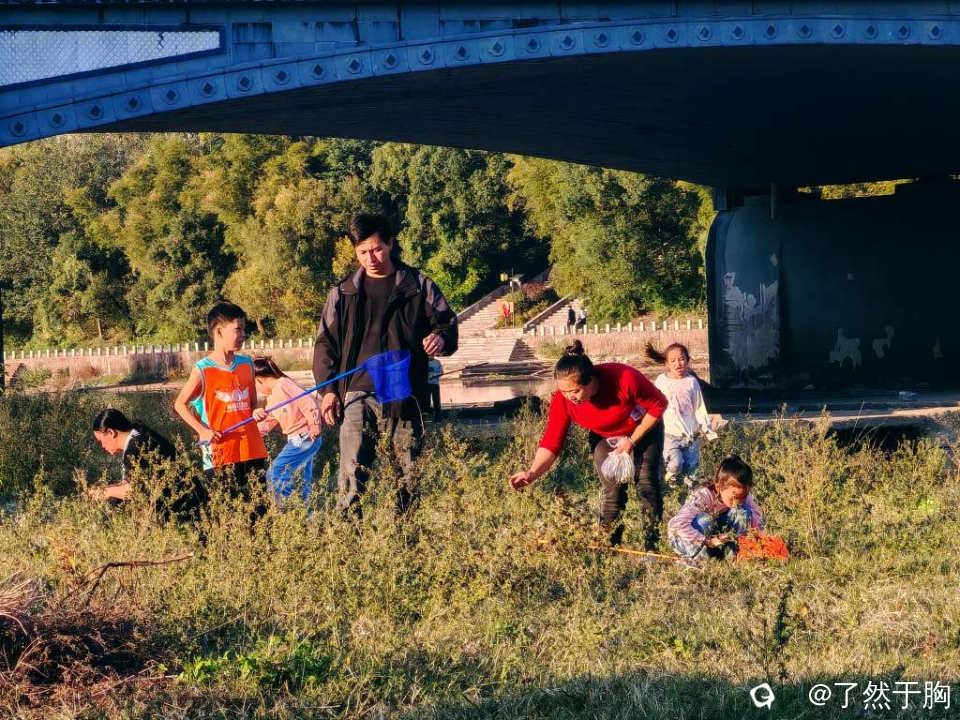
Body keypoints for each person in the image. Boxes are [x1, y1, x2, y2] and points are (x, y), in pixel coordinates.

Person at [313, 213, 458, 516]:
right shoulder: (342, 293)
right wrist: (327, 391)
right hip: (357, 395)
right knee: (352, 477)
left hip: (405, 394)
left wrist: (440, 338)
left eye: (377, 249)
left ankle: (404, 537)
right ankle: (347, 536)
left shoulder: (418, 286)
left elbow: (447, 325)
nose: (371, 258)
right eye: (363, 252)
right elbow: (325, 344)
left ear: (391, 243)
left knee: (407, 477)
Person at [508, 340, 668, 549]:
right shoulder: (563, 401)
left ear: (591, 380)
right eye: (564, 392)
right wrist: (532, 473)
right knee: (612, 490)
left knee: (646, 484)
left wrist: (632, 441)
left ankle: (652, 545)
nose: (570, 397)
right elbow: (552, 441)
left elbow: (659, 405)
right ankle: (610, 546)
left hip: (644, 429)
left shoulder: (624, 378)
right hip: (605, 436)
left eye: (575, 391)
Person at [173, 302, 268, 509]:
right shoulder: (202, 369)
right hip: (220, 455)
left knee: (260, 511)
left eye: (244, 329)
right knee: (228, 513)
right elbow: (180, 404)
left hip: (253, 449)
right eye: (238, 329)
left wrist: (256, 411)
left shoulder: (246, 364)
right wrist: (202, 431)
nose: (243, 335)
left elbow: (252, 404)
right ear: (218, 331)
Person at [89, 408, 206, 522]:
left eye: (101, 441)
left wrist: (105, 492)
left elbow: (135, 490)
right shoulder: (139, 435)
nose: (102, 446)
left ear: (111, 433)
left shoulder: (135, 448)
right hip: (192, 501)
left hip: (185, 512)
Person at [252, 356, 323, 504]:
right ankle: (304, 514)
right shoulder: (272, 398)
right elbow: (268, 423)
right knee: (301, 480)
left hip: (305, 437)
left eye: (255, 386)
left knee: (274, 475)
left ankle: (288, 508)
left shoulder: (283, 383)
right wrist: (251, 428)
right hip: (297, 439)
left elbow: (307, 400)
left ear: (259, 380)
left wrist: (314, 424)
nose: (257, 390)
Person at [667, 455, 765, 560]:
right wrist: (706, 541)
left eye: (743, 497)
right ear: (719, 487)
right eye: (734, 498)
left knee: (744, 513)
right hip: (685, 538)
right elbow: (677, 525)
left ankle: (731, 557)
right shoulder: (703, 496)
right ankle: (698, 560)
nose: (738, 502)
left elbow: (757, 517)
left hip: (714, 537)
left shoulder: (742, 495)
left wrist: (758, 537)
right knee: (705, 520)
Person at [648, 342, 717, 487]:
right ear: (666, 364)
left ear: (687, 360)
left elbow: (699, 407)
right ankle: (671, 479)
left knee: (692, 472)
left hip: (690, 435)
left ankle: (689, 495)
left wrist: (708, 431)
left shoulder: (692, 382)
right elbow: (652, 403)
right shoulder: (662, 381)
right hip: (670, 434)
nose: (678, 363)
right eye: (673, 360)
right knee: (676, 463)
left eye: (681, 359)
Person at [427, 357, 443, 421]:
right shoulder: (423, 362)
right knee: (427, 401)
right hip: (426, 384)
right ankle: (427, 417)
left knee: (436, 401)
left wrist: (435, 375)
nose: (431, 355)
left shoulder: (437, 362)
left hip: (435, 384)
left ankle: (438, 417)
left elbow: (441, 372)